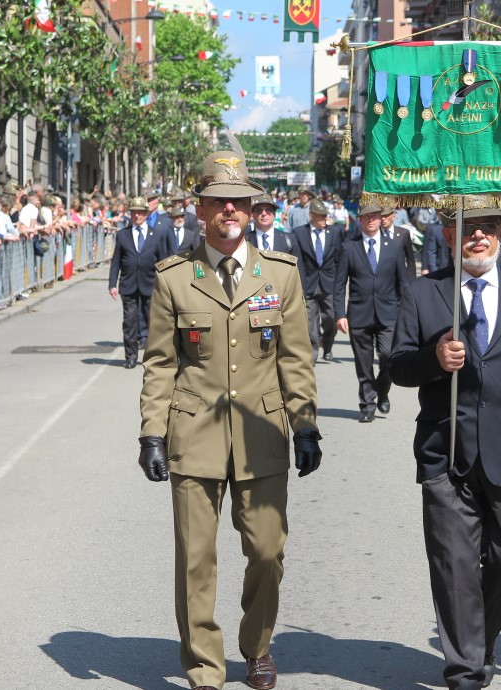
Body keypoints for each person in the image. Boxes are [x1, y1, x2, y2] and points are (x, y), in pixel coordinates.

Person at [137, 150, 322, 690]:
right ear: (200, 209)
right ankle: (204, 666)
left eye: (238, 202)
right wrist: (151, 432)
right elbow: (160, 363)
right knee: (195, 558)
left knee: (267, 550)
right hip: (193, 433)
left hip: (262, 433)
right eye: (218, 201)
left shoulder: (279, 274)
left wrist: (305, 424)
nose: (229, 211)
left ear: (250, 208)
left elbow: (295, 358)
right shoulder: (175, 278)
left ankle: (257, 646)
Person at [389, 206, 501, 690]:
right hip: (445, 452)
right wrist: (434, 359)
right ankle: (465, 669)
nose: (479, 237)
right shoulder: (424, 293)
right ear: (450, 235)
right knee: (454, 566)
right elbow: (397, 366)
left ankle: (480, 639)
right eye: (469, 228)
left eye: (489, 228)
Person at [333, 204, 408, 422]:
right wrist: (340, 314)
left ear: (380, 218)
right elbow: (339, 285)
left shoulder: (393, 247)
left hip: (388, 313)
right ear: (360, 220)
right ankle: (367, 405)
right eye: (366, 217)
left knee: (388, 356)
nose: (371, 220)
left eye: (375, 216)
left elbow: (402, 283)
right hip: (359, 313)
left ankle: (382, 390)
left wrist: (405, 313)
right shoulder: (349, 247)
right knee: (363, 362)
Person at [108, 196, 166, 369]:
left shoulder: (156, 235)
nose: (137, 216)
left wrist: (165, 284)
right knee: (130, 323)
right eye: (134, 213)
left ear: (146, 214)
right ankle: (131, 357)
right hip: (129, 285)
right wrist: (112, 284)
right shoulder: (123, 235)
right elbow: (116, 261)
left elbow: (162, 261)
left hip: (150, 284)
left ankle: (153, 357)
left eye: (140, 212)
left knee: (153, 322)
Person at [293, 198, 343, 362]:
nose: (324, 219)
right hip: (309, 284)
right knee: (310, 323)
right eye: (321, 216)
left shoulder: (334, 233)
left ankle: (327, 346)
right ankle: (312, 354)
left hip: (329, 284)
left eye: (325, 216)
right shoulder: (300, 233)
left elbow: (339, 259)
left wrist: (339, 282)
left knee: (330, 319)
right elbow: (298, 261)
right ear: (312, 216)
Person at [381, 205, 419, 281]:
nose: (383, 219)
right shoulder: (375, 234)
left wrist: (411, 281)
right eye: (381, 216)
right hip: (381, 279)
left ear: (393, 217)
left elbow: (410, 260)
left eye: (386, 216)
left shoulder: (403, 233)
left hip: (400, 279)